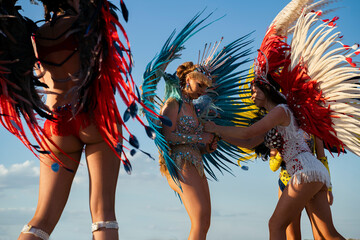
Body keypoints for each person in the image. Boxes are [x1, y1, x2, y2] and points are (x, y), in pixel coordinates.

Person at [18, 0, 149, 239]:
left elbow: (36, 74)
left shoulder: (35, 35)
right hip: (95, 117)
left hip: (56, 124)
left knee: (42, 220)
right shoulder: (90, 23)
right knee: (103, 215)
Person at [159, 61, 217, 239]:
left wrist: (206, 147)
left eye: (205, 88)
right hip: (180, 162)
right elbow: (166, 137)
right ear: (188, 79)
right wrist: (200, 138)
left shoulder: (192, 107)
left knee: (205, 221)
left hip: (196, 162)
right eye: (200, 85)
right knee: (199, 219)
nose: (203, 92)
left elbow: (192, 140)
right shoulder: (173, 104)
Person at [269, 135, 333, 240]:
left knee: (322, 235)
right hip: (287, 183)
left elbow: (322, 159)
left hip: (310, 178)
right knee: (292, 236)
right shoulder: (277, 131)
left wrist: (329, 188)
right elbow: (273, 166)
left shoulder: (313, 129)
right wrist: (281, 151)